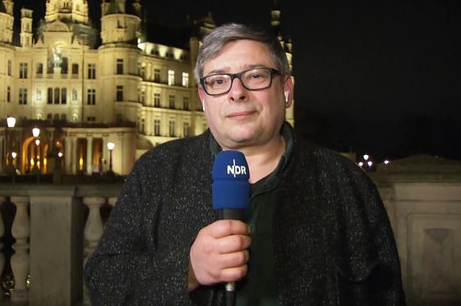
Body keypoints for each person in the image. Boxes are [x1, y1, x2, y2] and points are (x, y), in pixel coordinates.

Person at [84, 23, 406, 305]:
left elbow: (386, 294)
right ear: (203, 98)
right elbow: (104, 281)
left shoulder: (346, 183)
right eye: (219, 81)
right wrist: (187, 271)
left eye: (255, 76)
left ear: (287, 90)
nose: (237, 92)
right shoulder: (157, 171)